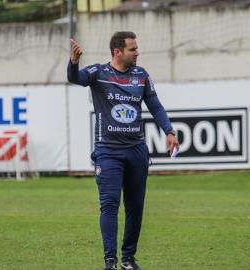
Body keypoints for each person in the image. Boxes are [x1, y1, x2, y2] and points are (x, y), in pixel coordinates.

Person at [67, 31, 179, 270]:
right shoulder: (98, 73)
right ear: (118, 51)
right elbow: (75, 78)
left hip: (137, 150)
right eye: (133, 49)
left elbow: (155, 106)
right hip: (108, 152)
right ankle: (110, 261)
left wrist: (169, 131)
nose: (137, 53)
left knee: (136, 207)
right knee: (109, 204)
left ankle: (128, 258)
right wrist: (74, 62)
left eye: (137, 48)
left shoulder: (142, 76)